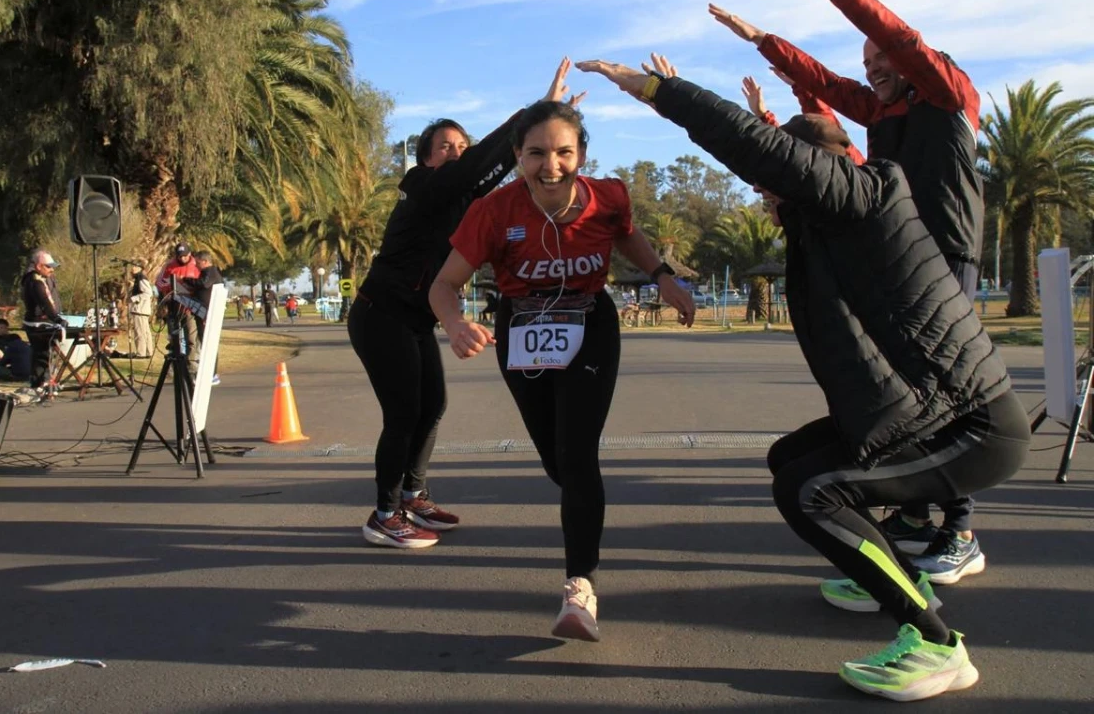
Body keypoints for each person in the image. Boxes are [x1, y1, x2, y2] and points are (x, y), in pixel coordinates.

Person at [578, 55, 1029, 701]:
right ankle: (896, 574)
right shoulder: (830, 224)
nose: (762, 193)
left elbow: (762, 151)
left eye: (774, 181)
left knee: (810, 489)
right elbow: (767, 157)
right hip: (931, 410)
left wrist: (662, 92)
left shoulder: (867, 197)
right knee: (790, 458)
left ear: (814, 171)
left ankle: (935, 641)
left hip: (972, 425)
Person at [709, 0, 986, 585]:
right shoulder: (880, 114)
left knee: (943, 392)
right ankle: (919, 513)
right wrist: (763, 42)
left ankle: (961, 527)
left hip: (945, 255)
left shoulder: (948, 95)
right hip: (901, 259)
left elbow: (899, 41)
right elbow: (826, 88)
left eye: (881, 61)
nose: (873, 69)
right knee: (908, 390)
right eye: (867, 65)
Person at [430, 99, 696, 643]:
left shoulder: (610, 196)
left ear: (582, 154)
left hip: (589, 325)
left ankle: (580, 586)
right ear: (517, 157)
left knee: (577, 454)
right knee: (558, 459)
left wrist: (662, 274)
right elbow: (443, 284)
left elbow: (625, 233)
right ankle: (582, 499)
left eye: (563, 152)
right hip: (521, 330)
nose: (551, 165)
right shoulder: (493, 210)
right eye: (536, 154)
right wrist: (455, 325)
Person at [349, 59, 582, 552]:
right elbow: (478, 168)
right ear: (426, 159)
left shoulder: (462, 197)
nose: (455, 152)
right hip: (380, 315)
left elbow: (503, 168)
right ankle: (385, 513)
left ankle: (413, 494)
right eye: (444, 148)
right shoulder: (425, 189)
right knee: (404, 412)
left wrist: (545, 132)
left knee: (432, 406)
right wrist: (533, 111)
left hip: (413, 319)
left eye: (461, 145)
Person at [20, 248, 66, 389]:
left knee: (43, 354)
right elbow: (45, 303)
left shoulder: (41, 278)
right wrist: (58, 320)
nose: (52, 270)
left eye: (53, 267)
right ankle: (39, 384)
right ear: (39, 266)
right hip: (37, 324)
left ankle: (42, 382)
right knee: (41, 354)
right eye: (48, 266)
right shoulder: (34, 281)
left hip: (43, 322)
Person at [156, 243, 203, 373]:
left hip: (190, 308)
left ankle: (191, 365)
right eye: (179, 256)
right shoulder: (169, 266)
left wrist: (187, 284)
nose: (182, 259)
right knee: (174, 338)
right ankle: (175, 366)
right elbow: (159, 282)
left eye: (185, 256)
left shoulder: (196, 265)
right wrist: (171, 285)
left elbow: (202, 283)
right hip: (174, 307)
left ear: (189, 254)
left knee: (191, 338)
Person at [191, 251, 224, 385]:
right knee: (204, 342)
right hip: (202, 313)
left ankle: (212, 374)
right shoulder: (206, 273)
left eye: (197, 263)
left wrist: (189, 280)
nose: (196, 265)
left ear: (205, 261)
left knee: (209, 343)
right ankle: (208, 372)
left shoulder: (211, 272)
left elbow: (204, 284)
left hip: (208, 314)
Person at [127, 261, 155, 359]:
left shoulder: (141, 278)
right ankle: (148, 351)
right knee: (145, 332)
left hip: (140, 310)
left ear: (140, 268)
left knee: (140, 332)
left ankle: (141, 353)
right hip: (141, 310)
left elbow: (148, 293)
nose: (132, 268)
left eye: (135, 266)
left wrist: (134, 298)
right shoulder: (138, 279)